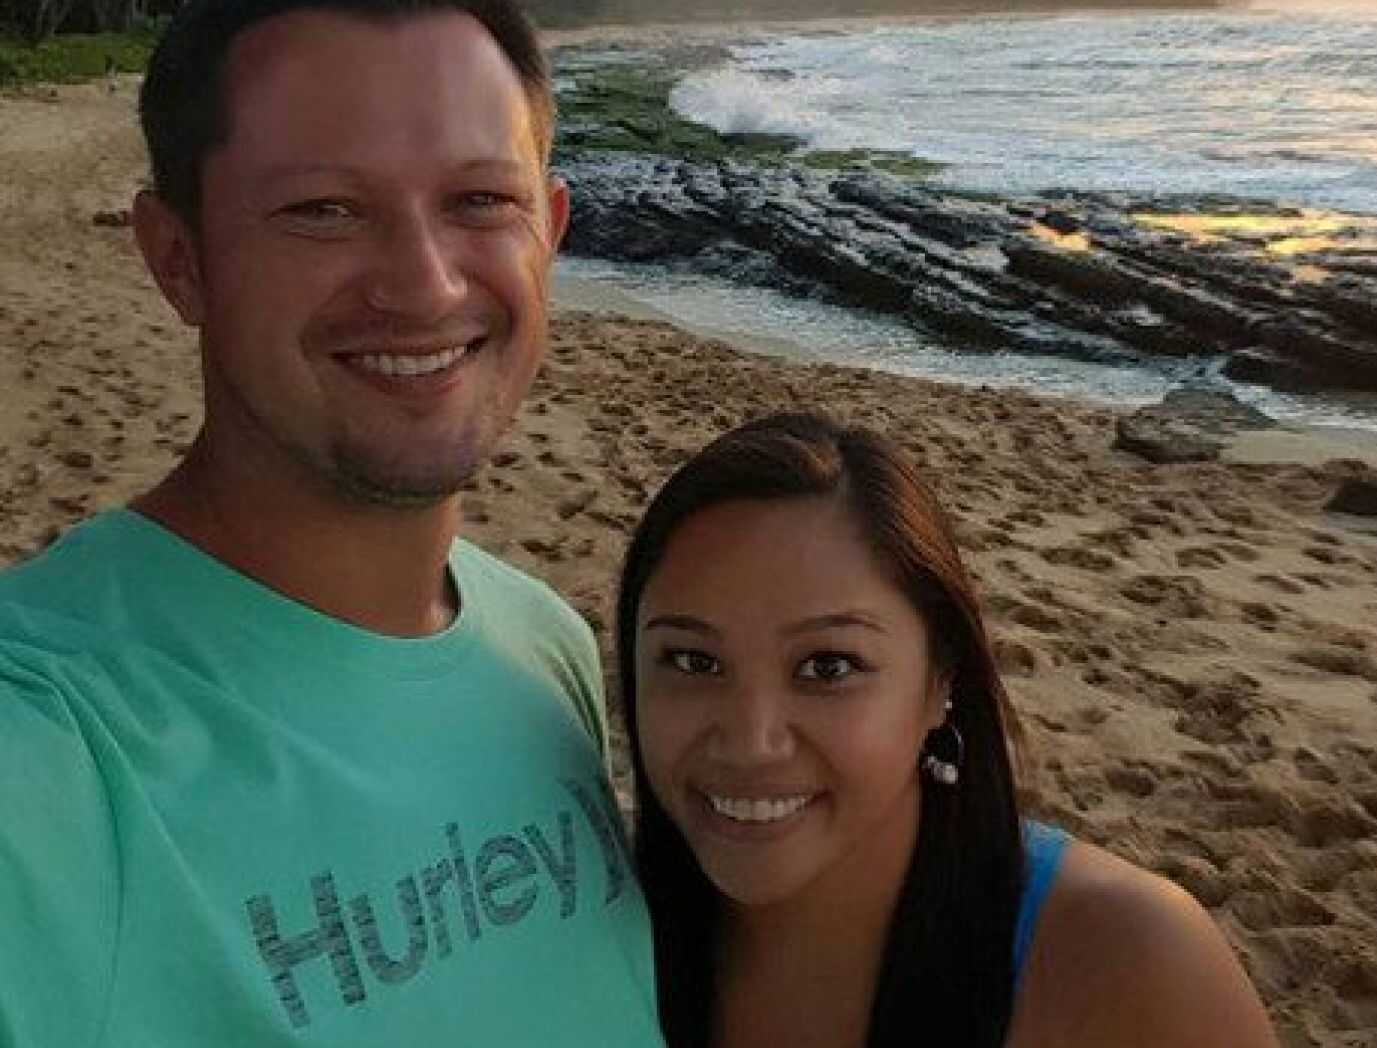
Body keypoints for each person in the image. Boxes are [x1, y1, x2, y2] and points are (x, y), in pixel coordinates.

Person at [0, 0, 665, 1043]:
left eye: (481, 200)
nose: (425, 285)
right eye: (322, 210)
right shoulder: (54, 750)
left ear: (551, 230)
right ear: (178, 258)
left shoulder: (546, 646)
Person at [614, 412, 1281, 1048]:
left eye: (828, 667)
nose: (751, 741)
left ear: (941, 680)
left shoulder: (1131, 961)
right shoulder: (588, 926)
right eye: (692, 662)